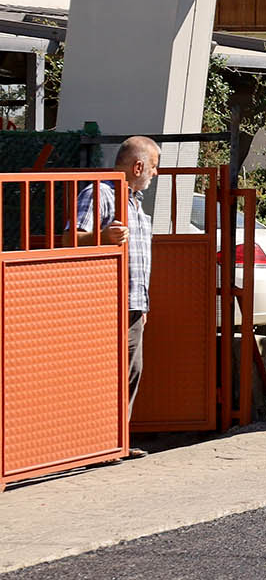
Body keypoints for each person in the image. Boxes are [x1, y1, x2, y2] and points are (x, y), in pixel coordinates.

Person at [78, 136, 160, 453]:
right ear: (138, 166)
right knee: (106, 377)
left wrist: (143, 306)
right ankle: (100, 444)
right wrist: (102, 235)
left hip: (133, 306)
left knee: (130, 373)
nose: (154, 174)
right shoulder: (101, 194)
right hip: (107, 305)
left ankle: (117, 442)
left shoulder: (134, 203)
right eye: (153, 167)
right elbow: (70, 235)